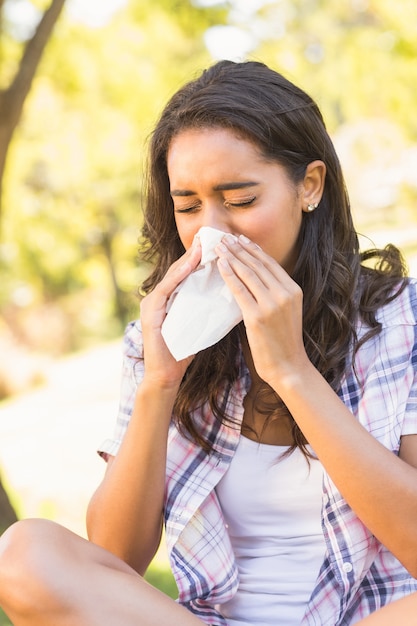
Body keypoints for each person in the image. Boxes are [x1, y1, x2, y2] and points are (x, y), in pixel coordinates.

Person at [0, 59, 416, 626]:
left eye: (240, 199)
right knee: (23, 555)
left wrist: (291, 372)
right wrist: (159, 382)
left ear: (309, 185)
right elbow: (114, 561)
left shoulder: (401, 319)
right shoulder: (160, 337)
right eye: (189, 206)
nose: (212, 232)